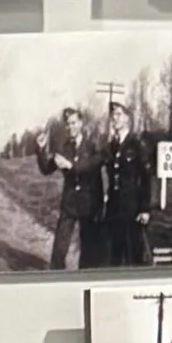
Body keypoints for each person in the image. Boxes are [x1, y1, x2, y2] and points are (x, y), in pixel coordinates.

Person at [81, 100, 155, 269]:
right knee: (114, 253)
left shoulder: (136, 144)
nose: (114, 119)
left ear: (127, 119)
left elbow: (145, 178)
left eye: (119, 115)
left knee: (132, 255)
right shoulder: (111, 146)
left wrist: (145, 208)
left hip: (132, 207)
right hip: (114, 207)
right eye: (113, 115)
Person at [35, 102, 92, 270]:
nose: (70, 127)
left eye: (74, 123)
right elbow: (46, 169)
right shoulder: (62, 148)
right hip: (69, 204)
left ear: (81, 123)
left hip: (89, 204)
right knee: (59, 249)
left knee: (88, 250)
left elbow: (91, 167)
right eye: (67, 124)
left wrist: (70, 166)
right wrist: (40, 149)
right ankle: (57, 278)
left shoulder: (92, 146)